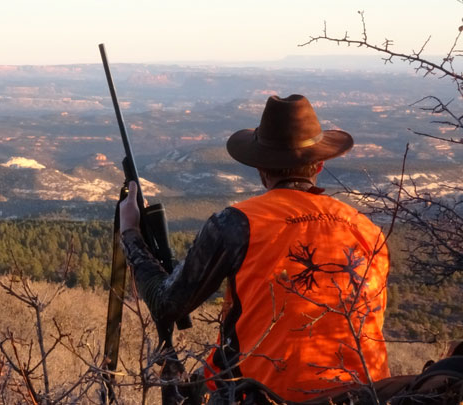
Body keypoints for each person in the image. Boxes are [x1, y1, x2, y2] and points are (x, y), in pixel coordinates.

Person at [119, 94, 390, 402]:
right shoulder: (369, 230)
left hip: (266, 395)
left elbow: (165, 304)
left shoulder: (237, 223)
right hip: (370, 394)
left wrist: (130, 233)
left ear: (261, 168)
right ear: (321, 164)